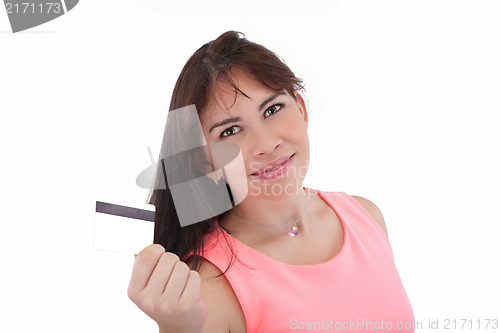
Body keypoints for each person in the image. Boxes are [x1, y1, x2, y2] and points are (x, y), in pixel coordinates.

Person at [127, 30, 415, 333]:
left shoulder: (366, 215)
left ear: (301, 108)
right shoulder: (208, 286)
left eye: (272, 109)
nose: (265, 144)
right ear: (204, 161)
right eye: (230, 131)